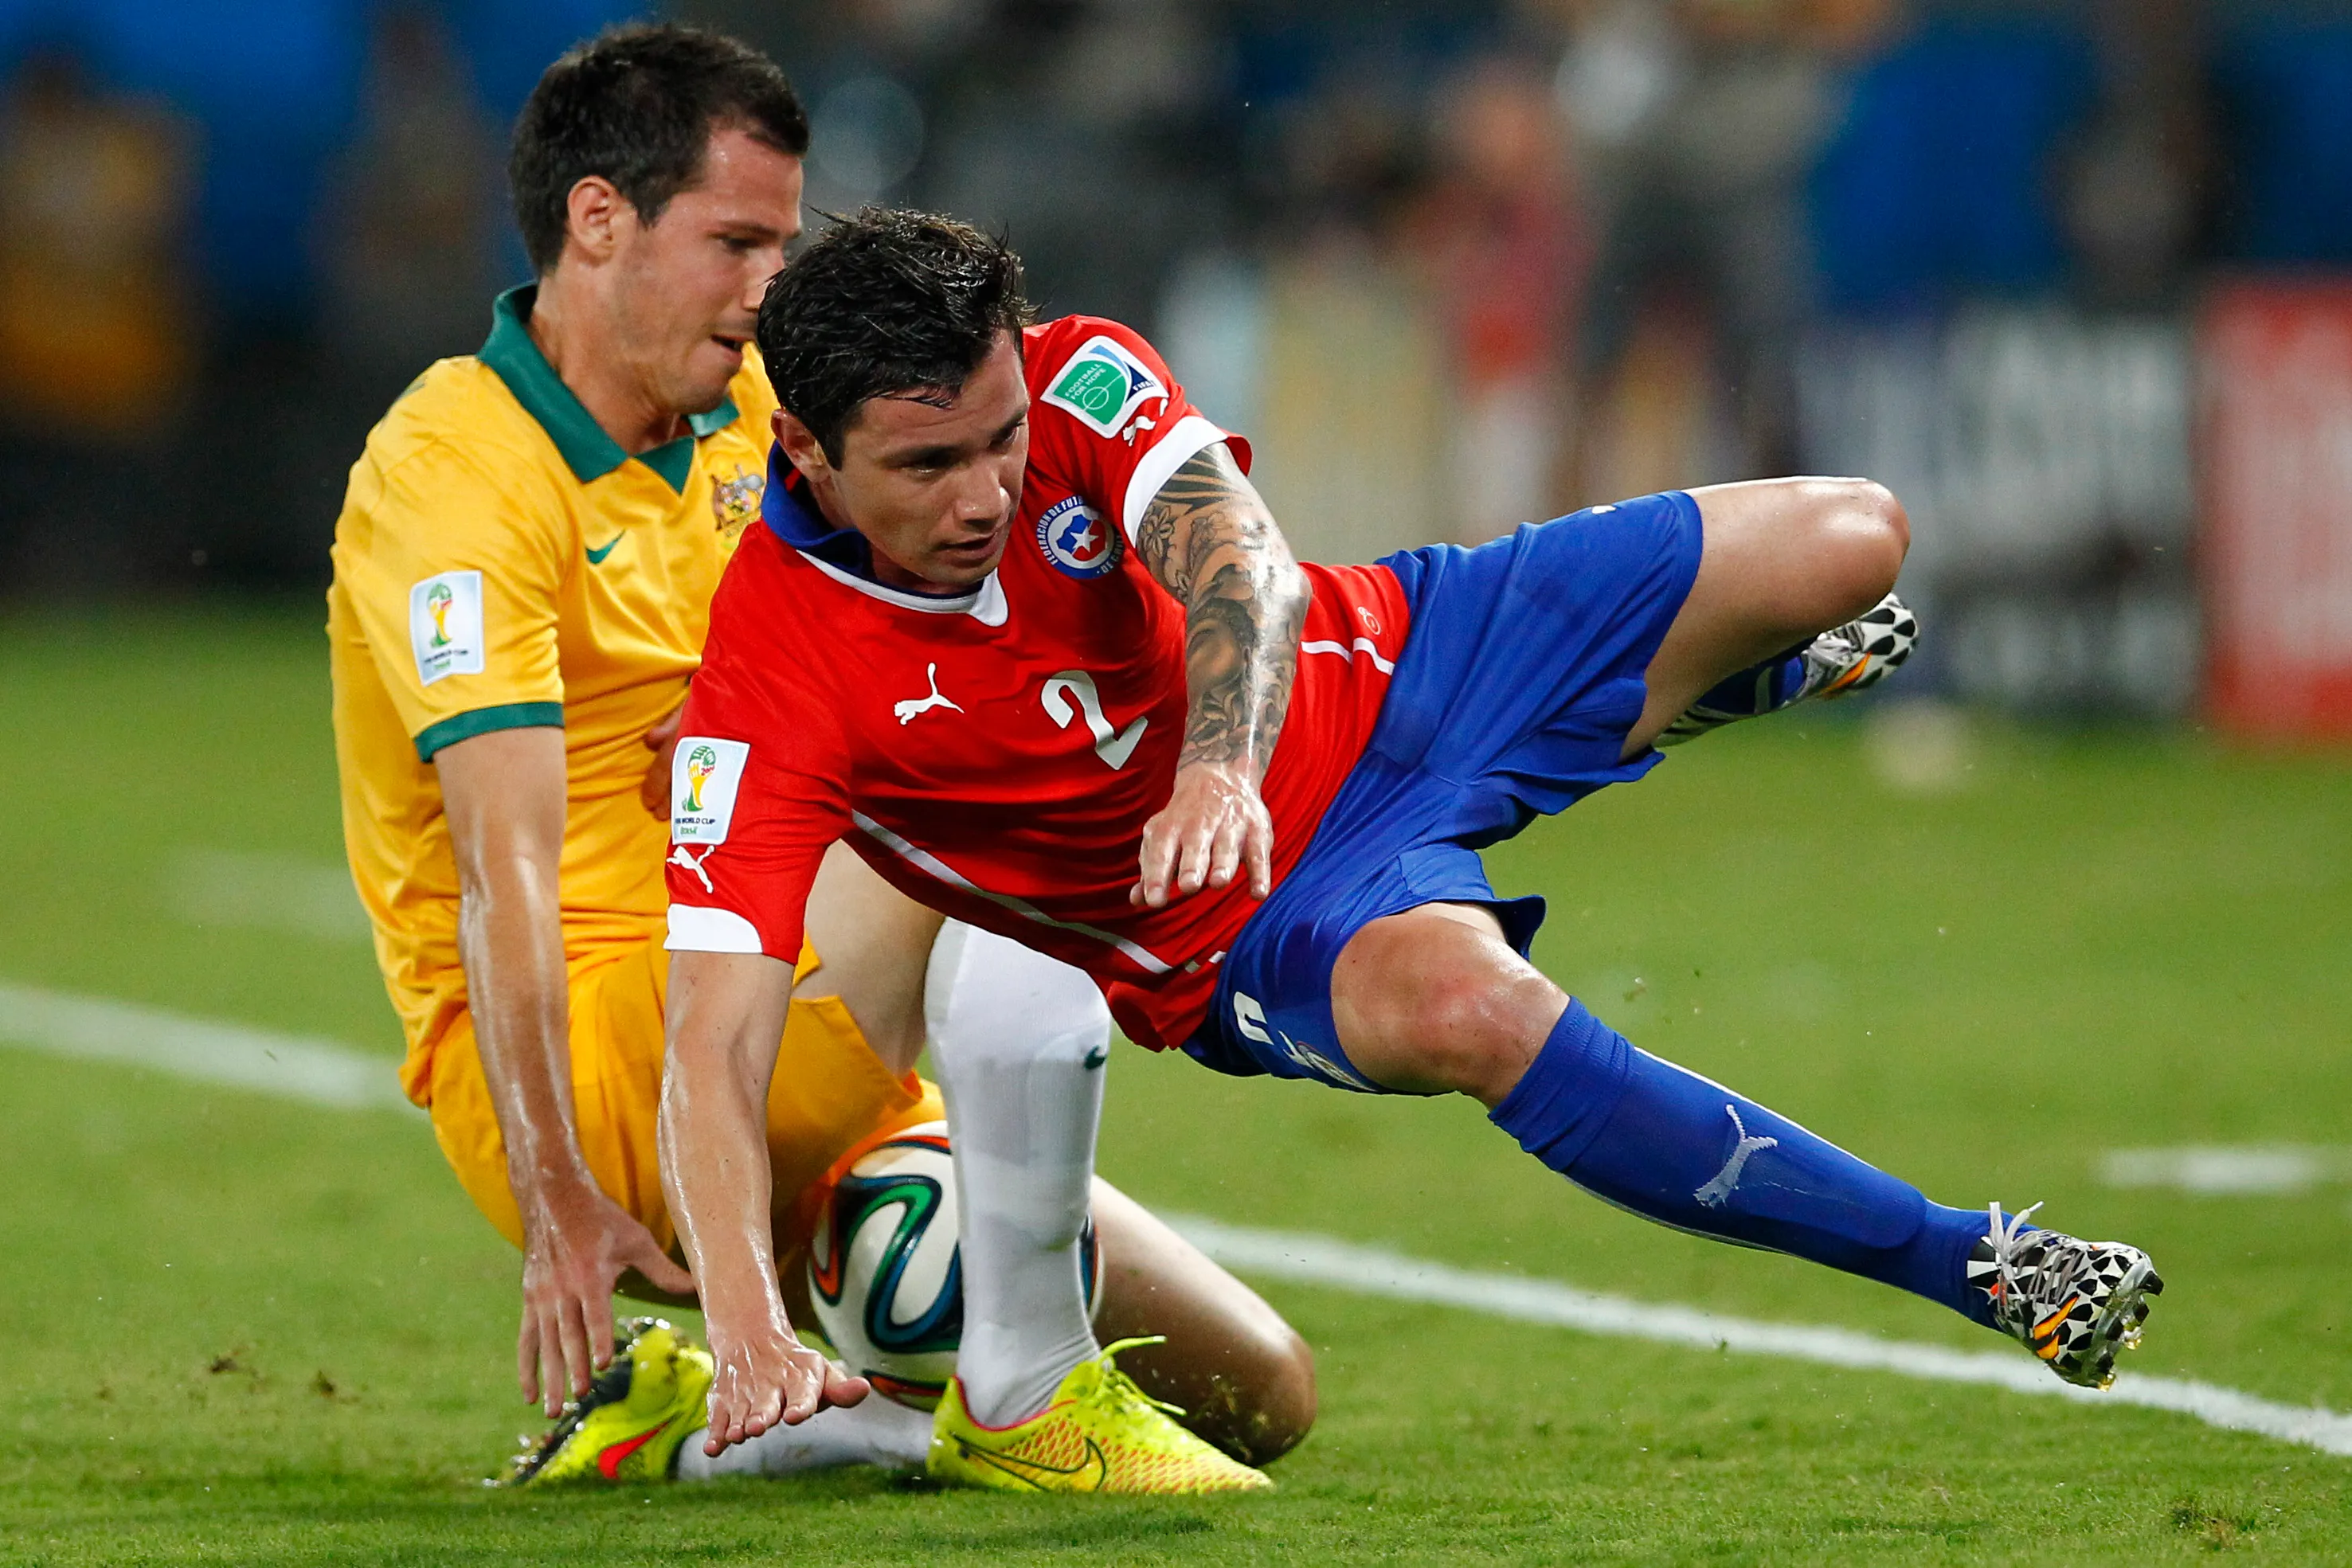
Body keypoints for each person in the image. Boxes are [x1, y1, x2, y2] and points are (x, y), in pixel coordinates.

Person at [656, 209, 2164, 1485]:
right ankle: (1977, 1263)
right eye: (928, 466)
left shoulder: (1081, 374)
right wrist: (745, 1324)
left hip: (1399, 655)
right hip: (1249, 920)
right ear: (805, 446)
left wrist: (1217, 763)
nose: (988, 493)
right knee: (1474, 1013)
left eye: (1002, 442)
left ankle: (1696, 695)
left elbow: (1242, 559)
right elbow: (714, 1038)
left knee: (1855, 539)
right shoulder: (765, 682)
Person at [326, 28, 1311, 1492]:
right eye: (735, 243)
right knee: (992, 766)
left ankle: (758, 1413)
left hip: (812, 990)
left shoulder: (771, 412)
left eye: (783, 244)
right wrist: (558, 1199)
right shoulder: (455, 475)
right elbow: (503, 868)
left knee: (1259, 1390)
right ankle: (997, 1380)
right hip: (613, 1057)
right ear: (598, 221)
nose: (766, 287)